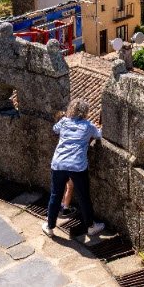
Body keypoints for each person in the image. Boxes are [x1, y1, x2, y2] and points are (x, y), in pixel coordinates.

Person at [43, 99, 104, 238]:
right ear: (85, 112)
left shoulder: (64, 122)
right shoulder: (88, 126)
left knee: (55, 195)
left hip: (59, 163)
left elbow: (54, 129)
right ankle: (91, 227)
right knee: (83, 197)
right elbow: (99, 135)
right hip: (77, 165)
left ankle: (50, 226)